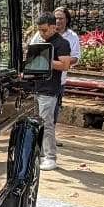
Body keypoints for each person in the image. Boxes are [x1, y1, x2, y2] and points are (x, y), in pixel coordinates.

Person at [30, 12, 72, 171]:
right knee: (37, 123)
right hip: (37, 87)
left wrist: (45, 59)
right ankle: (39, 153)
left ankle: (50, 157)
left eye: (45, 30)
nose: (42, 33)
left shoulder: (62, 43)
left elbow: (65, 65)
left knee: (47, 124)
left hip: (49, 90)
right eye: (40, 30)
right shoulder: (42, 42)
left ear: (53, 27)